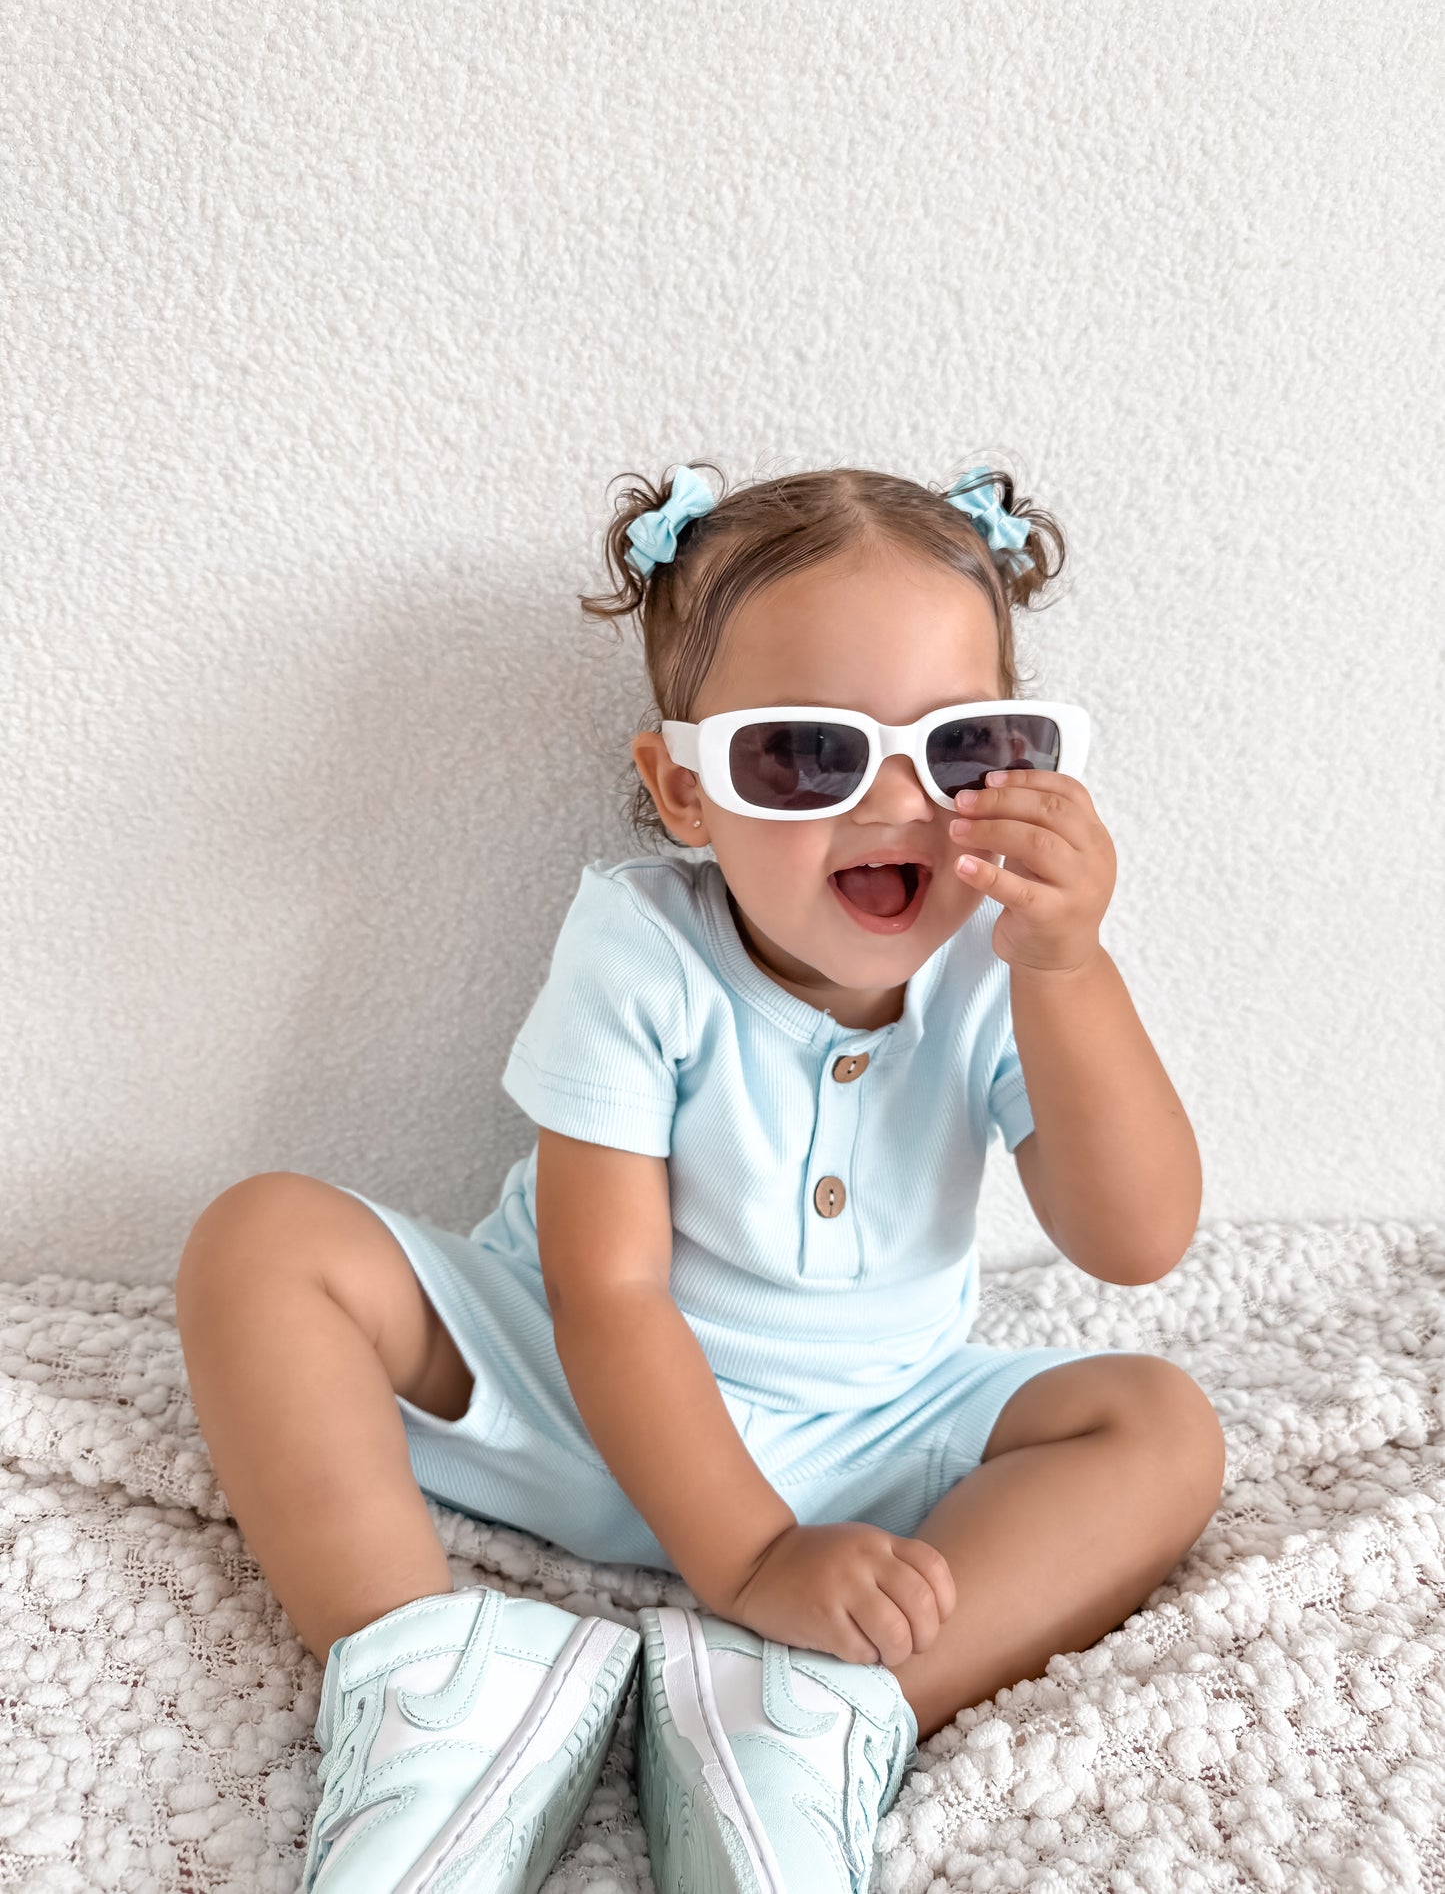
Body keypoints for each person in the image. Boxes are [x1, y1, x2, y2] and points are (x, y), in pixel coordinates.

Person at [175, 460, 1226, 1893]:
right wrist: (749, 1561)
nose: (898, 806)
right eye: (805, 757)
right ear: (683, 789)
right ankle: (434, 1679)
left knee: (1159, 1424)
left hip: (872, 1429)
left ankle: (810, 1714)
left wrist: (1070, 968)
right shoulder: (643, 952)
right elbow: (604, 1291)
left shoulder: (1001, 972)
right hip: (569, 1391)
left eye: (966, 749)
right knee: (261, 1242)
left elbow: (1136, 1238)